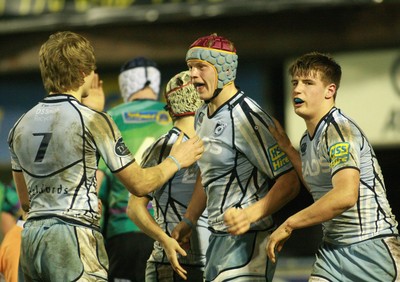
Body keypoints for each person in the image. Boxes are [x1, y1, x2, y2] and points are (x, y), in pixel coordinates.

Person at [7, 31, 203, 281]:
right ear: (81, 72)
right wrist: (175, 161)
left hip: (32, 239)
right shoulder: (94, 120)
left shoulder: (19, 126)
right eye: (92, 70)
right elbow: (140, 184)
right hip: (73, 239)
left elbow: (26, 202)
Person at [172, 33, 300, 281]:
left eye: (201, 67)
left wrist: (249, 215)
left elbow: (290, 181)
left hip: (249, 241)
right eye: (190, 67)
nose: (193, 75)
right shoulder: (201, 114)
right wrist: (189, 219)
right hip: (218, 239)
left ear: (224, 70)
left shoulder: (248, 117)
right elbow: (207, 173)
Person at [265, 52, 400, 281]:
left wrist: (290, 224)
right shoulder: (307, 140)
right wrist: (288, 148)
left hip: (370, 248)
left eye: (308, 83)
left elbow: (345, 195)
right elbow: (320, 190)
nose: (297, 90)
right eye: (295, 83)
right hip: (333, 250)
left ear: (330, 91)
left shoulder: (338, 131)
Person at [127, 70, 210, 281]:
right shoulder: (217, 143)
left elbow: (134, 208)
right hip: (194, 264)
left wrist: (163, 239)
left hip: (178, 262)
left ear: (170, 108)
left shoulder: (161, 146)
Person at [96, 56, 173, 282]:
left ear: (125, 83)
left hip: (123, 231)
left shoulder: (110, 119)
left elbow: (97, 181)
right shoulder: (174, 116)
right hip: (167, 232)